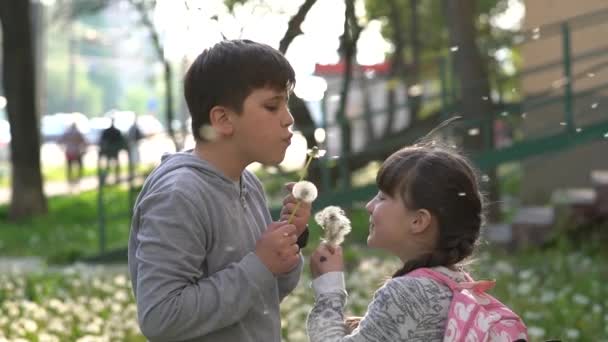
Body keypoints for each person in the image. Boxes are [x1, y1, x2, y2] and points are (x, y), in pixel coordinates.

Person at [128, 39, 311, 342]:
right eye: (272, 106)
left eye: (287, 104)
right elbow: (160, 317)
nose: (288, 119)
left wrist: (290, 238)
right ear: (223, 119)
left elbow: (264, 294)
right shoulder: (179, 195)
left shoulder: (247, 183)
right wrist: (260, 263)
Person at [306, 142, 527, 341]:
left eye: (383, 197)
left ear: (418, 221)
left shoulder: (409, 292)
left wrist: (329, 287)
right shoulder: (455, 283)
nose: (370, 206)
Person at [98, 118, 126, 183]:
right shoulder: (116, 131)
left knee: (110, 165)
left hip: (109, 150)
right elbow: (121, 141)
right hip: (114, 150)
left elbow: (102, 141)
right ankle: (116, 178)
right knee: (115, 165)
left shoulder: (107, 131)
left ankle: (111, 178)